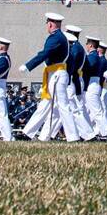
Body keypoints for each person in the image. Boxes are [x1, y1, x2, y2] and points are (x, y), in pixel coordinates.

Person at [22, 12, 78, 141]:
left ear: (51, 24)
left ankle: (73, 136)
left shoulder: (56, 37)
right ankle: (28, 132)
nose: (47, 26)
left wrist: (28, 65)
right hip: (54, 73)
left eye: (47, 23)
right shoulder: (59, 37)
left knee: (63, 106)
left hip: (57, 74)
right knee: (45, 104)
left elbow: (45, 53)